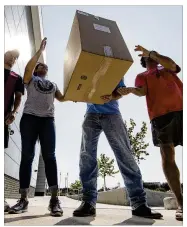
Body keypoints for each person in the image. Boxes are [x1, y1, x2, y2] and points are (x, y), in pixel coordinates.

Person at [73, 79, 163, 219]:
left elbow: (119, 92)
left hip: (111, 114)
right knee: (86, 157)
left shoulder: (115, 65)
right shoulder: (88, 63)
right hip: (90, 114)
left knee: (125, 155)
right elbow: (79, 87)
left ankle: (138, 204)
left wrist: (113, 96)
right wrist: (75, 94)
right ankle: (88, 203)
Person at [117, 45, 183, 221]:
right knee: (168, 156)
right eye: (148, 57)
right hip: (160, 117)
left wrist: (153, 53)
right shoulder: (142, 76)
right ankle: (182, 203)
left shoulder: (166, 67)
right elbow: (142, 92)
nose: (152, 58)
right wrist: (130, 90)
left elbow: (173, 65)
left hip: (182, 110)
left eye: (153, 55)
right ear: (144, 61)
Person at [8, 38, 66, 217]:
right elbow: (27, 69)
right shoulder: (30, 78)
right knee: (27, 156)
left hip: (48, 121)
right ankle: (23, 199)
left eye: (45, 66)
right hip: (30, 119)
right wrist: (40, 52)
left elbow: (63, 98)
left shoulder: (53, 84)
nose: (44, 66)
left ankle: (54, 200)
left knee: (50, 156)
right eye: (40, 65)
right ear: (36, 69)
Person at [4, 49, 24, 212]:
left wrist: (14, 113)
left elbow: (18, 98)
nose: (13, 58)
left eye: (16, 58)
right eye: (11, 55)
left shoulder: (17, 78)